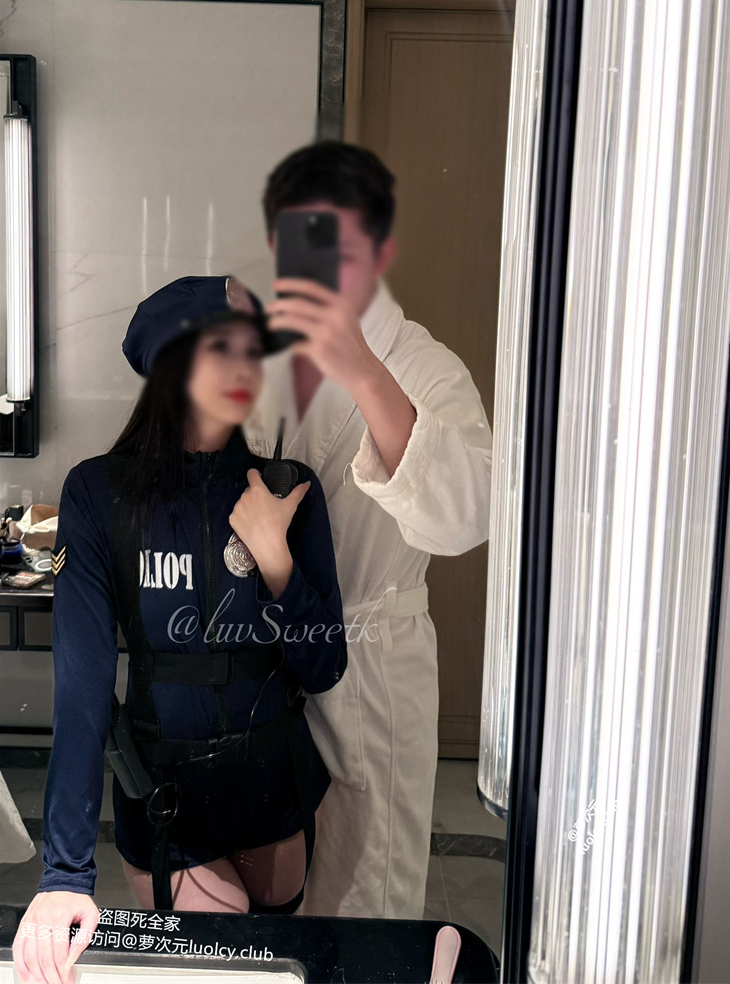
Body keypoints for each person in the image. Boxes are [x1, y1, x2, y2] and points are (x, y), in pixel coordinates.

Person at [13, 275, 346, 984]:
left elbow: (325, 666)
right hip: (167, 802)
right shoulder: (99, 493)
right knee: (217, 970)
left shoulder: (286, 487)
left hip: (275, 787)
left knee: (274, 964)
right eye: (219, 347)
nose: (244, 366)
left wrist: (277, 561)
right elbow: (82, 685)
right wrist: (65, 872)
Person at [245, 141, 492, 919]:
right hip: (271, 660)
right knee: (277, 896)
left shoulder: (424, 367)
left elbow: (467, 515)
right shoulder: (267, 361)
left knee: (364, 898)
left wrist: (361, 370)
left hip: (370, 671)